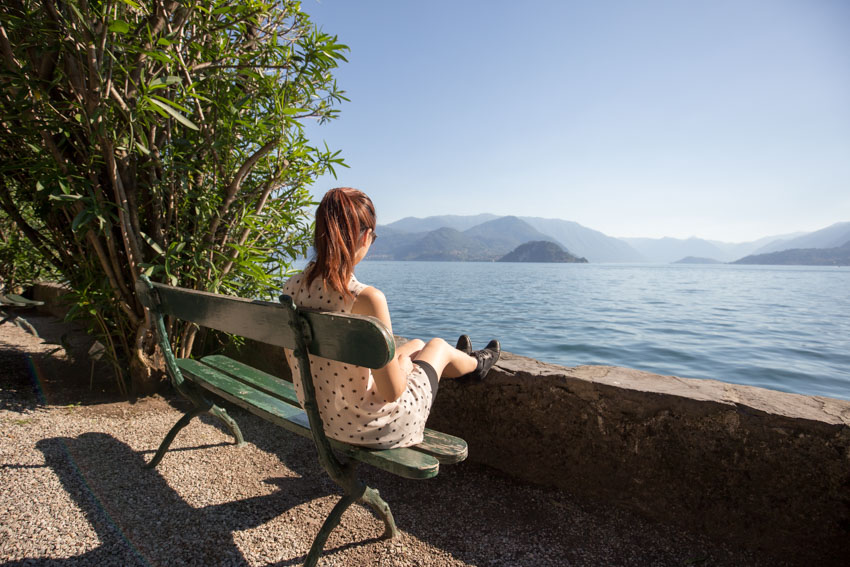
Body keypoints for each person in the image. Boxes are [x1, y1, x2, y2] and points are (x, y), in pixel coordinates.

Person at [281, 187, 500, 449]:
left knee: (418, 344)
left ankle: (461, 360)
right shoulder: (366, 299)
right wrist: (405, 368)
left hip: (322, 417)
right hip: (374, 427)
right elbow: (392, 392)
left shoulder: (292, 288)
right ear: (364, 238)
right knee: (437, 346)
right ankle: (478, 365)